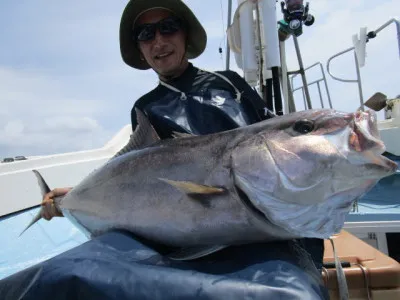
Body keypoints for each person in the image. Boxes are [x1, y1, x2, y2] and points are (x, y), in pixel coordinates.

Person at [40, 0, 325, 283]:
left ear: (184, 34)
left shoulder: (228, 82)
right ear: (140, 48)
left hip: (264, 221)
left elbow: (273, 138)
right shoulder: (146, 108)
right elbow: (136, 177)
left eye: (168, 28)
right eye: (146, 34)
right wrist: (77, 195)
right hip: (201, 235)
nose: (159, 41)